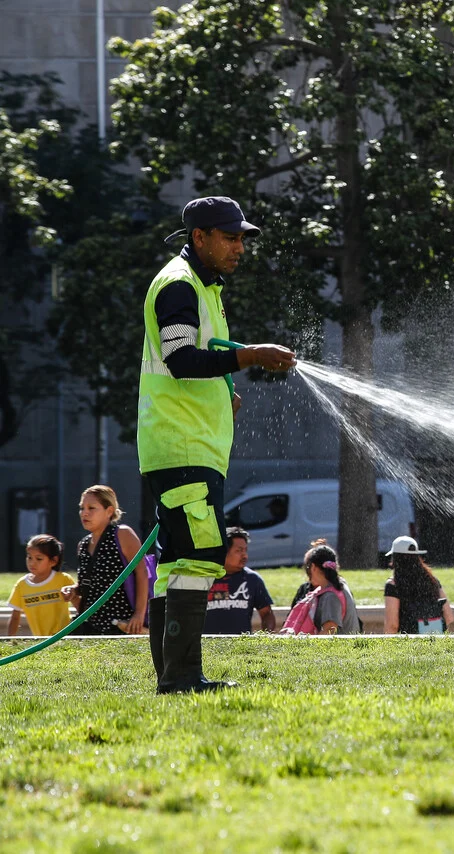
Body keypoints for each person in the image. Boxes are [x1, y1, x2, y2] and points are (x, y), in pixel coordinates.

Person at [139, 195, 296, 693]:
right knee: (201, 556)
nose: (239, 248)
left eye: (242, 239)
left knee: (174, 564)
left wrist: (223, 393)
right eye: (230, 238)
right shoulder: (179, 285)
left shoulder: (203, 287)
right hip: (184, 446)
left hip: (185, 445)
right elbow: (182, 359)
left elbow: (196, 360)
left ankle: (173, 677)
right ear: (199, 237)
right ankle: (183, 678)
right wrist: (248, 356)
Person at [60, 486, 148, 636]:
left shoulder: (122, 534)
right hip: (90, 626)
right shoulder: (82, 545)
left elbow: (142, 573)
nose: (84, 513)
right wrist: (73, 590)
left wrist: (139, 614)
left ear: (109, 511)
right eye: (82, 508)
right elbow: (91, 584)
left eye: (91, 508)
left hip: (121, 624)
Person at [204, 527, 276, 634]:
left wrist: (266, 635)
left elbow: (267, 614)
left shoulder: (252, 579)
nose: (245, 556)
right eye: (239, 551)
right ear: (224, 551)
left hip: (240, 644)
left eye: (245, 550)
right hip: (207, 643)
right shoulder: (204, 577)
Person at [281, 540, 360, 635]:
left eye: (307, 567)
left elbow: (329, 630)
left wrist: (309, 644)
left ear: (313, 567)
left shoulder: (330, 596)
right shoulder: (341, 585)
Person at [383, 536, 454, 634]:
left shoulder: (393, 585)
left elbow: (392, 625)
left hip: (409, 641)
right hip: (435, 639)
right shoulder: (432, 581)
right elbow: (449, 617)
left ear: (395, 559)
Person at [8, 535, 74, 636]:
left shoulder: (64, 579)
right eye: (29, 557)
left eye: (39, 559)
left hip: (65, 638)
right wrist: (10, 640)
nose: (32, 563)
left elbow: (79, 605)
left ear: (53, 561)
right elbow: (15, 617)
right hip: (41, 641)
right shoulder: (21, 585)